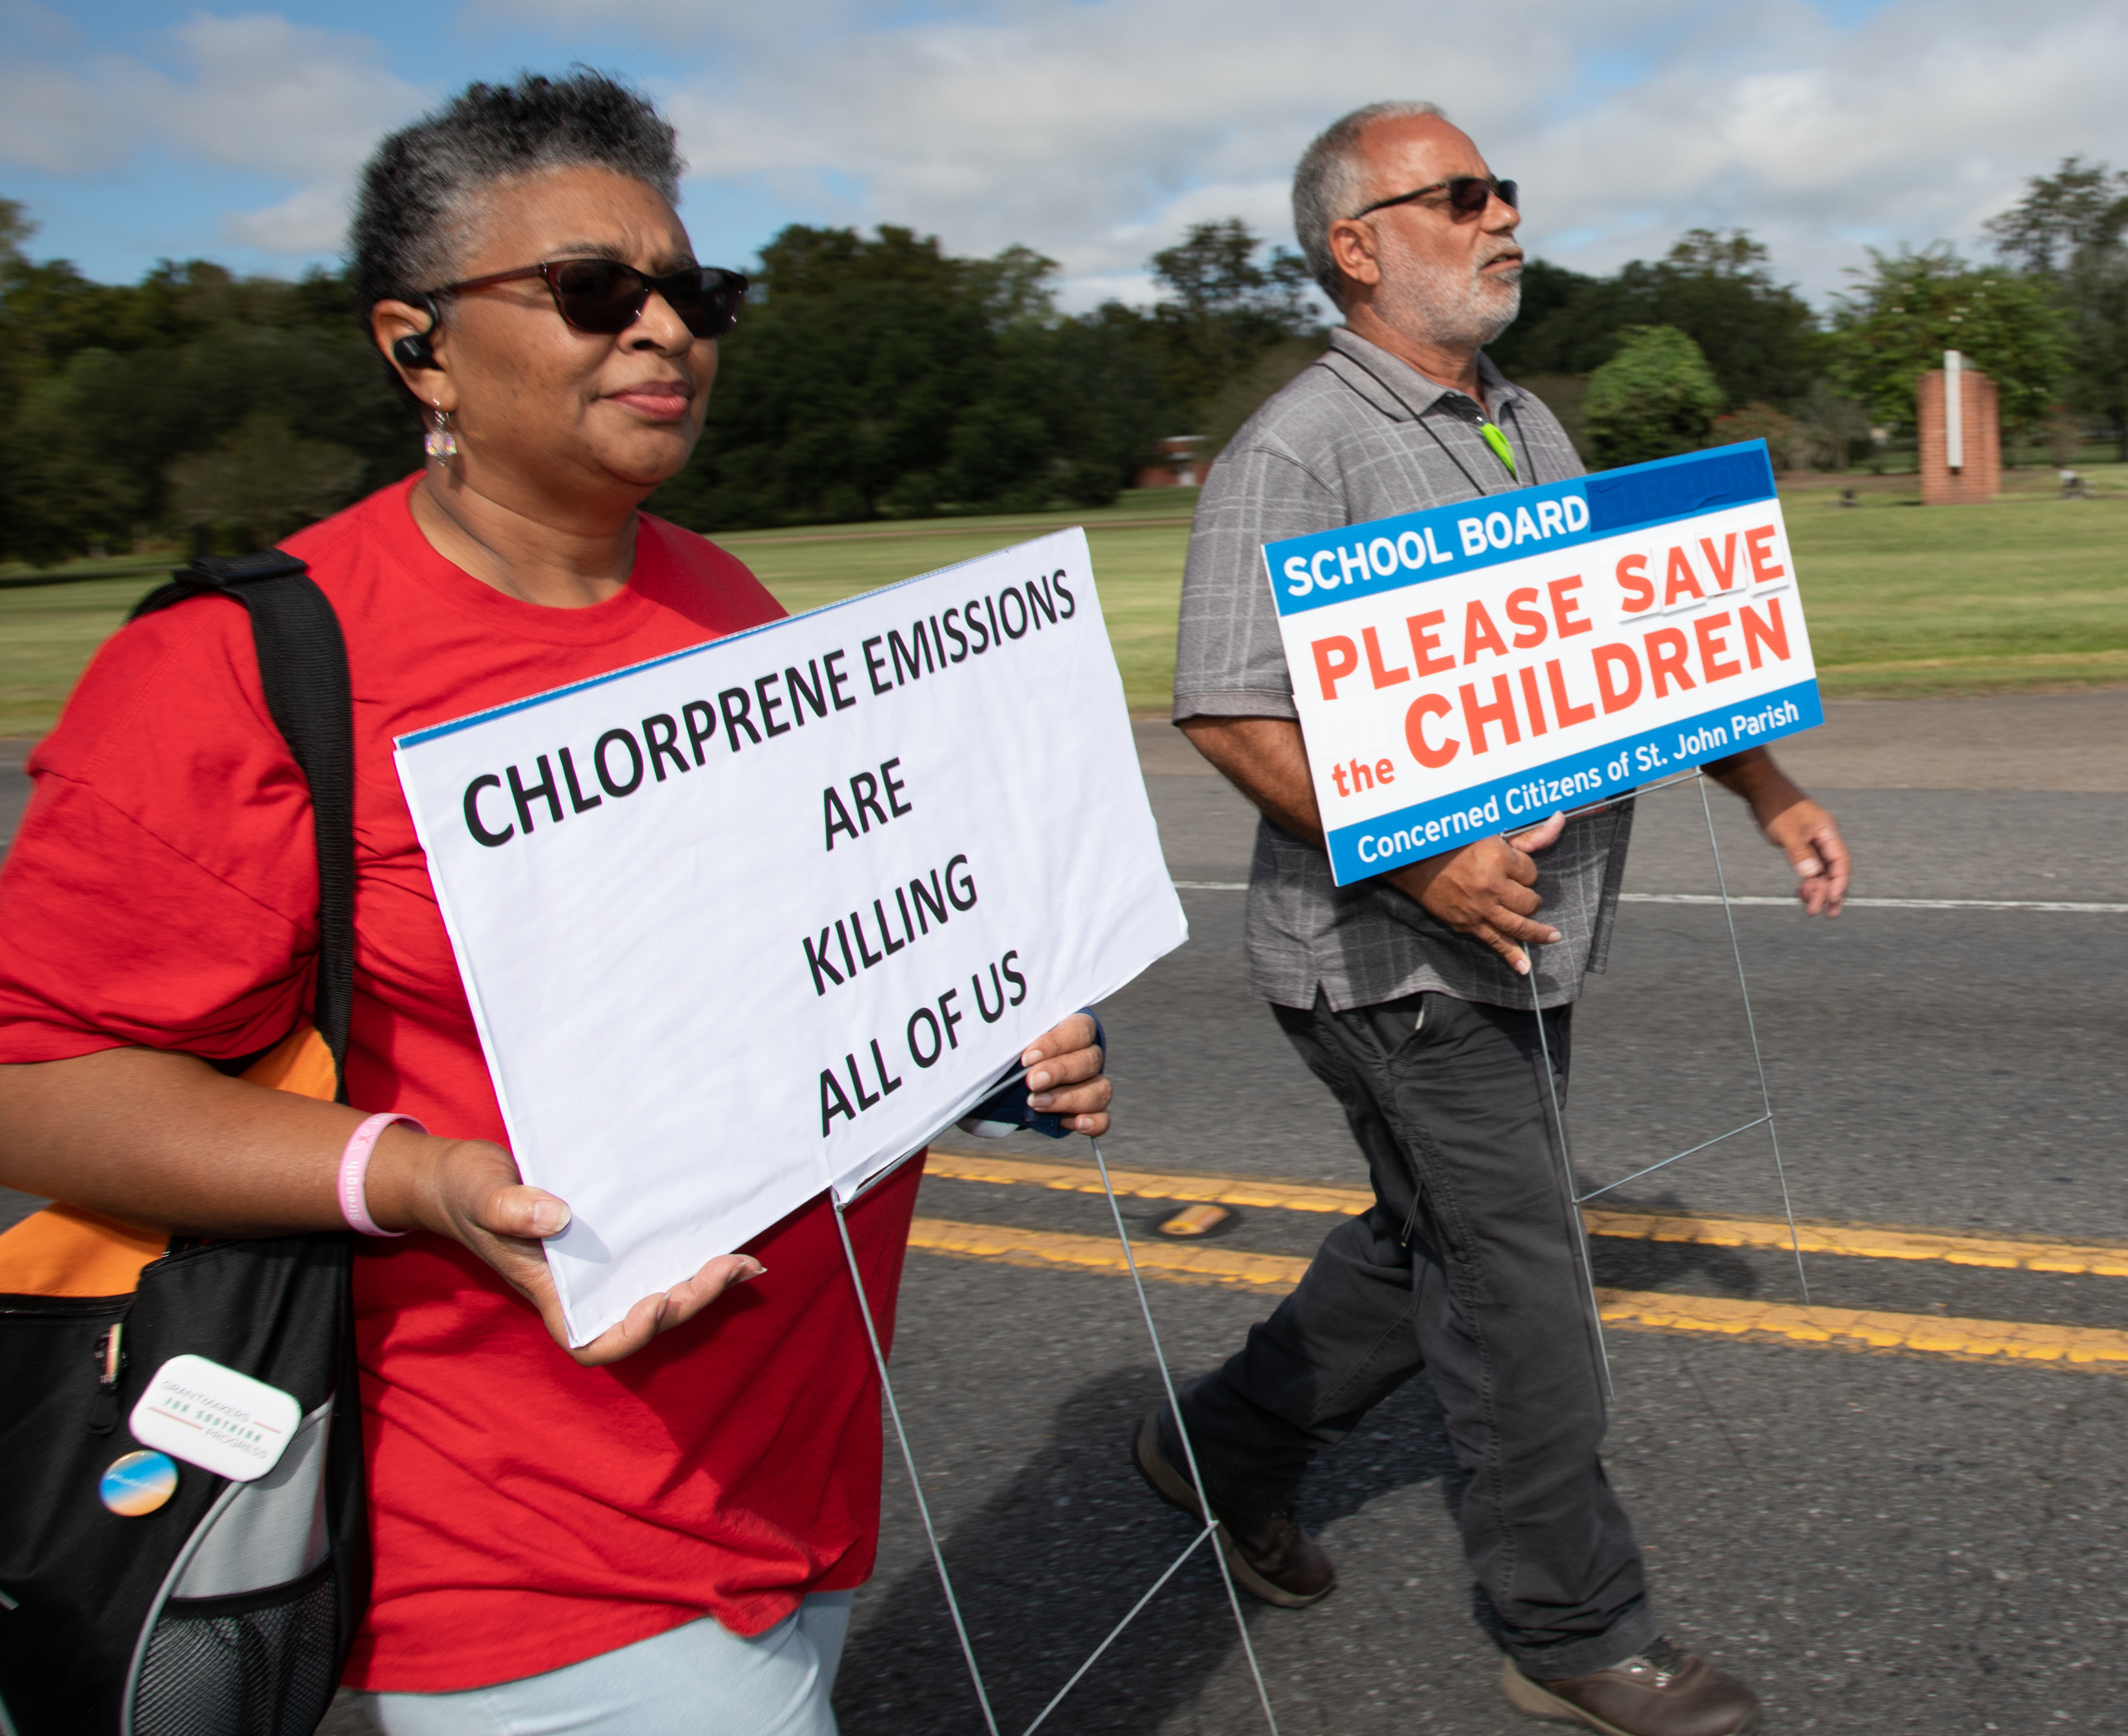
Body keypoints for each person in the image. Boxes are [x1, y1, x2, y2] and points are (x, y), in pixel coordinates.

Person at [0, 73, 1110, 1734]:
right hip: (522, 1532)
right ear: (417, 347)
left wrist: (969, 1032)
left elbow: (782, 969)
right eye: (597, 290)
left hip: (791, 1471)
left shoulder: (719, 597)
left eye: (695, 292)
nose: (666, 328)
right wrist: (421, 1180)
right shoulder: (241, 662)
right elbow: (34, 1080)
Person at [1139, 101, 1850, 1736]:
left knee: (1426, 1243)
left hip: (1528, 938)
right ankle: (1570, 1624)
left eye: (1502, 189)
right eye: (1458, 196)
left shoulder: (1524, 422)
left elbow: (1648, 651)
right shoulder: (1296, 450)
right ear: (1357, 244)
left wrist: (1769, 791)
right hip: (1390, 961)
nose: (1501, 216)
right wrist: (1418, 861)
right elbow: (1226, 711)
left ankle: (1211, 1450)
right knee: (1519, 1269)